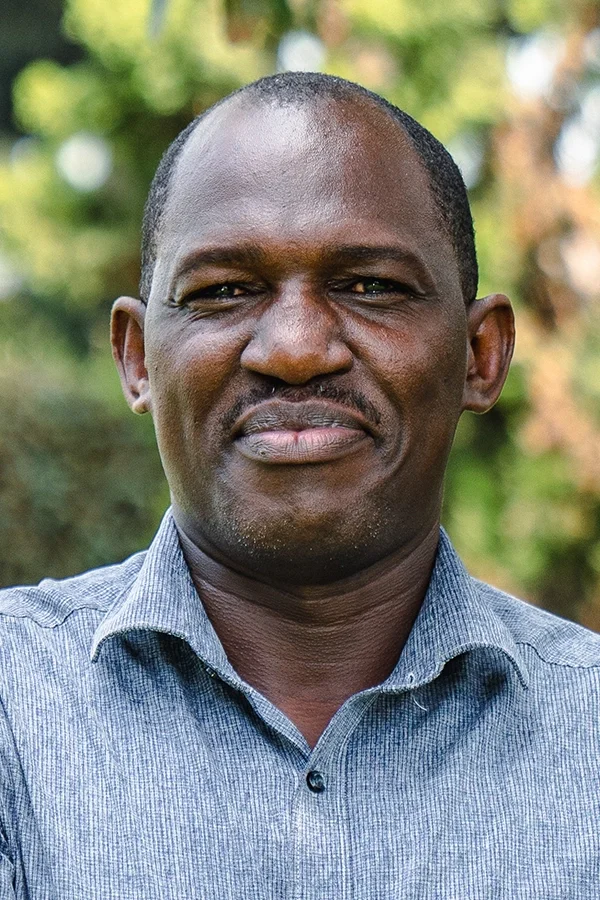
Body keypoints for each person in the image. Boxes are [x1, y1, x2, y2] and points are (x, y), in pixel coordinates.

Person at [0, 72, 598, 900]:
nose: (293, 349)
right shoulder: (13, 710)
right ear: (137, 360)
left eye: (370, 287)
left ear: (480, 355)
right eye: (222, 291)